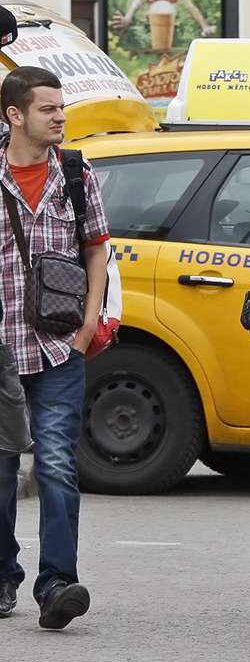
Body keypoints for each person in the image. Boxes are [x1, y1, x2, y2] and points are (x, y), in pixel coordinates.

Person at [0, 67, 110, 630]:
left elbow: (97, 250)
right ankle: (2, 576)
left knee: (58, 465)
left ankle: (56, 584)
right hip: (1, 347)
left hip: (59, 344)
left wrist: (88, 326)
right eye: (48, 109)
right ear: (15, 115)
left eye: (62, 107)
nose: (61, 117)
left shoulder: (75, 170)